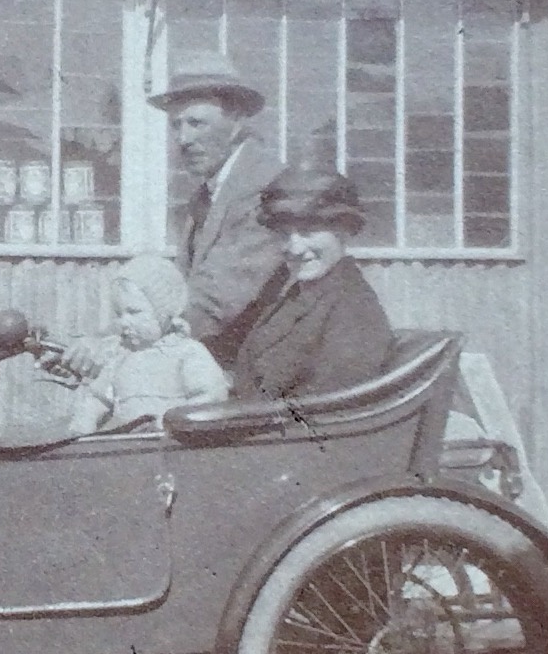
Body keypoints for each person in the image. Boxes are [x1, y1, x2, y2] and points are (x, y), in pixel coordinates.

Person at [147, 50, 286, 369]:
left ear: (236, 120)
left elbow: (216, 300)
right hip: (212, 359)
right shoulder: (206, 195)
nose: (183, 139)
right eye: (176, 125)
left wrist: (126, 342)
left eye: (196, 123)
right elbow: (179, 289)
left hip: (261, 374)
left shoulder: (266, 186)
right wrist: (112, 335)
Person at [232, 168, 393, 402]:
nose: (294, 248)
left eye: (308, 231)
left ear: (344, 229)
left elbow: (333, 409)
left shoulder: (353, 309)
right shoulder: (296, 297)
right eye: (284, 234)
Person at [68, 255, 229, 436]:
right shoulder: (121, 357)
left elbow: (211, 397)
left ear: (164, 313)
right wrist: (81, 427)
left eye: (133, 312)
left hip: (176, 447)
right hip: (129, 449)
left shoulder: (187, 354)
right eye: (119, 314)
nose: (123, 322)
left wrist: (170, 422)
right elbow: (97, 399)